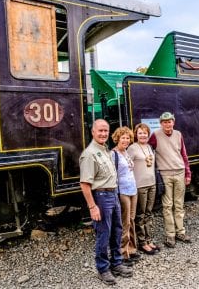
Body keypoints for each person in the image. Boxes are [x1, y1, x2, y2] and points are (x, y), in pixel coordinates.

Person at [79, 119, 133, 285]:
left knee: (117, 230)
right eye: (100, 131)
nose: (103, 134)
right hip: (101, 197)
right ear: (93, 132)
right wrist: (92, 206)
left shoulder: (105, 150)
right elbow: (84, 184)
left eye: (105, 131)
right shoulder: (89, 154)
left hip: (113, 194)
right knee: (104, 233)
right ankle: (103, 268)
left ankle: (116, 263)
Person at [148, 112, 192, 248]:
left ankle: (181, 232)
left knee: (179, 204)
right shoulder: (155, 135)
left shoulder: (178, 134)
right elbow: (148, 150)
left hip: (179, 172)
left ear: (174, 122)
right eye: (165, 122)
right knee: (167, 206)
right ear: (161, 123)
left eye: (170, 121)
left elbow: (183, 154)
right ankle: (170, 235)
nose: (167, 124)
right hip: (165, 174)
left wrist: (187, 173)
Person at [127, 123, 160, 255]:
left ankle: (148, 239)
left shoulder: (149, 147)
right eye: (140, 133)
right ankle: (142, 243)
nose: (143, 135)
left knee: (149, 213)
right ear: (136, 134)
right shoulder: (132, 148)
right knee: (140, 215)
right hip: (140, 186)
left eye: (145, 133)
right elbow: (127, 167)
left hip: (152, 183)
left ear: (148, 134)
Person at [111, 126, 141, 266]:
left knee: (132, 220)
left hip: (132, 189)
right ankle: (122, 253)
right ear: (117, 138)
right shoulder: (114, 154)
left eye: (128, 138)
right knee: (125, 222)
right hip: (122, 191)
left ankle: (132, 249)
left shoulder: (126, 153)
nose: (126, 140)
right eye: (123, 137)